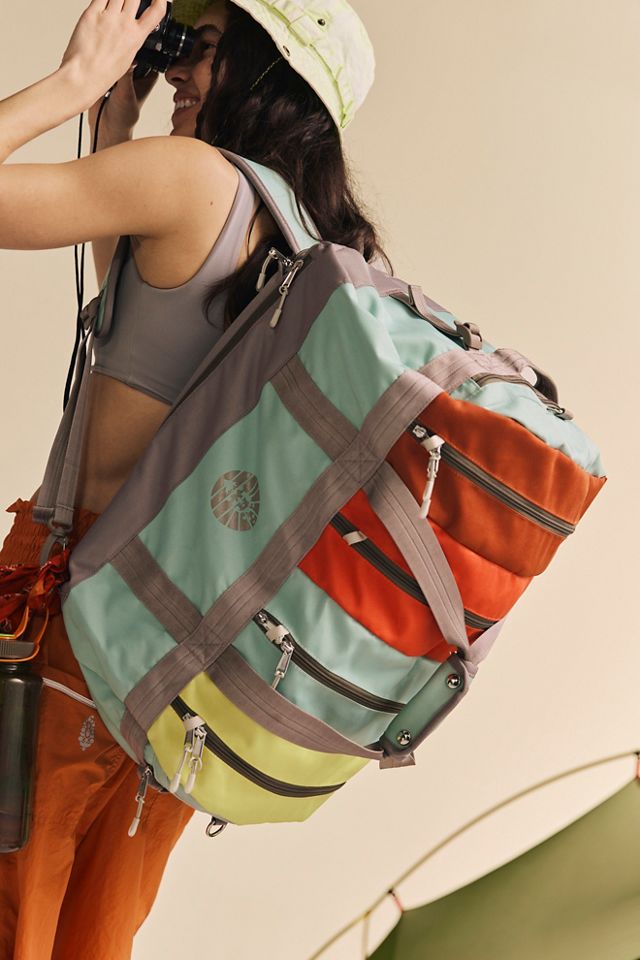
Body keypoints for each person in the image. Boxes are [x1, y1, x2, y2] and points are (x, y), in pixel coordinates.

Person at [0, 1, 392, 956]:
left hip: (73, 618)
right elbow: (146, 316)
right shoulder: (322, 249)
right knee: (87, 934)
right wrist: (116, 122)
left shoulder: (190, 178)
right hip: (190, 664)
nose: (175, 66)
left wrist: (75, 83)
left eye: (202, 48)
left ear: (267, 72)